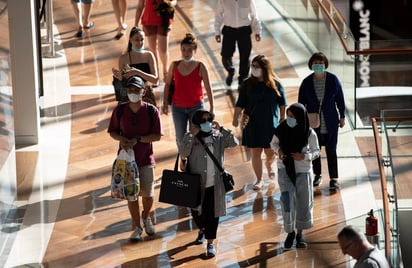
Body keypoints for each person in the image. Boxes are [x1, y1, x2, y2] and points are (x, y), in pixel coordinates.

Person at [107, 76, 163, 242]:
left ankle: (146, 216)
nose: (133, 93)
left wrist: (138, 139)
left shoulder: (151, 111)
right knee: (131, 195)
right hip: (127, 161)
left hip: (146, 159)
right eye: (130, 90)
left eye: (136, 90)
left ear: (143, 91)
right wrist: (122, 140)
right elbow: (113, 131)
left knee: (148, 193)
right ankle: (137, 226)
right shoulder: (120, 110)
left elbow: (157, 136)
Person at [179, 109, 239, 257]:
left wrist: (223, 129)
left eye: (208, 120)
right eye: (203, 120)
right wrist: (191, 135)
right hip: (196, 184)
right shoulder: (190, 137)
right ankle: (202, 229)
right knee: (197, 212)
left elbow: (234, 143)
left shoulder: (218, 136)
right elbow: (183, 152)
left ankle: (210, 243)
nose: (206, 123)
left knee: (213, 214)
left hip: (215, 184)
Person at [232, 54, 287, 190]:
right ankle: (259, 179)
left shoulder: (275, 84)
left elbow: (282, 103)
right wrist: (235, 117)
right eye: (253, 66)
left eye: (257, 67)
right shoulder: (247, 84)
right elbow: (240, 103)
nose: (254, 69)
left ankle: (269, 165)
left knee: (270, 152)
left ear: (264, 68)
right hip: (253, 124)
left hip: (270, 124)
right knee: (255, 153)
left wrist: (282, 117)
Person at [270, 103, 320, 250]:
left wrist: (304, 156)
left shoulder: (309, 133)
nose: (289, 119)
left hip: (303, 172)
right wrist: (278, 151)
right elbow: (273, 143)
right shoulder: (281, 129)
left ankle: (299, 234)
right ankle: (289, 232)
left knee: (303, 203)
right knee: (287, 202)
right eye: (288, 116)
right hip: (284, 170)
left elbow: (317, 151)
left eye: (293, 116)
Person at [298, 52, 346, 192]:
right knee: (315, 149)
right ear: (311, 65)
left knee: (332, 150)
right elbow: (301, 104)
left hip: (331, 121)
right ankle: (317, 174)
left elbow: (340, 99)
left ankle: (334, 179)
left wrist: (342, 116)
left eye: (321, 63)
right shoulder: (306, 83)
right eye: (315, 63)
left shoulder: (333, 80)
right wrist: (301, 122)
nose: (318, 65)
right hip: (314, 123)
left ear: (325, 64)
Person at [162, 33, 214, 148]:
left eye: (189, 50)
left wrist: (211, 108)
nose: (186, 53)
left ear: (195, 50)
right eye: (184, 50)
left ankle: (193, 162)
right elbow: (167, 85)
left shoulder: (201, 66)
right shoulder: (174, 65)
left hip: (196, 108)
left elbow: (208, 88)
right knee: (181, 137)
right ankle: (183, 159)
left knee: (195, 137)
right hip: (178, 108)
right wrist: (165, 103)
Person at [214, 0, 261, 89]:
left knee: (245, 57)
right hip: (229, 30)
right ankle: (230, 70)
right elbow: (218, 15)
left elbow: (254, 15)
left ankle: (242, 80)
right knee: (225, 56)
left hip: (244, 31)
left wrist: (257, 30)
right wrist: (217, 32)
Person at [112, 27, 159, 104]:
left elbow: (155, 80)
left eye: (142, 39)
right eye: (137, 39)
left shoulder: (149, 55)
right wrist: (118, 76)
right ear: (130, 40)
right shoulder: (123, 58)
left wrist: (137, 72)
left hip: (145, 95)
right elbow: (122, 81)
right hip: (129, 96)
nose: (140, 42)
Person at [135, 0, 177, 81]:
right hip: (148, 19)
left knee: (163, 50)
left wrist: (169, 4)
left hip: (163, 19)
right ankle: (155, 74)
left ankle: (165, 70)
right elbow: (140, 5)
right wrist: (135, 24)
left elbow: (175, 1)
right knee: (152, 49)